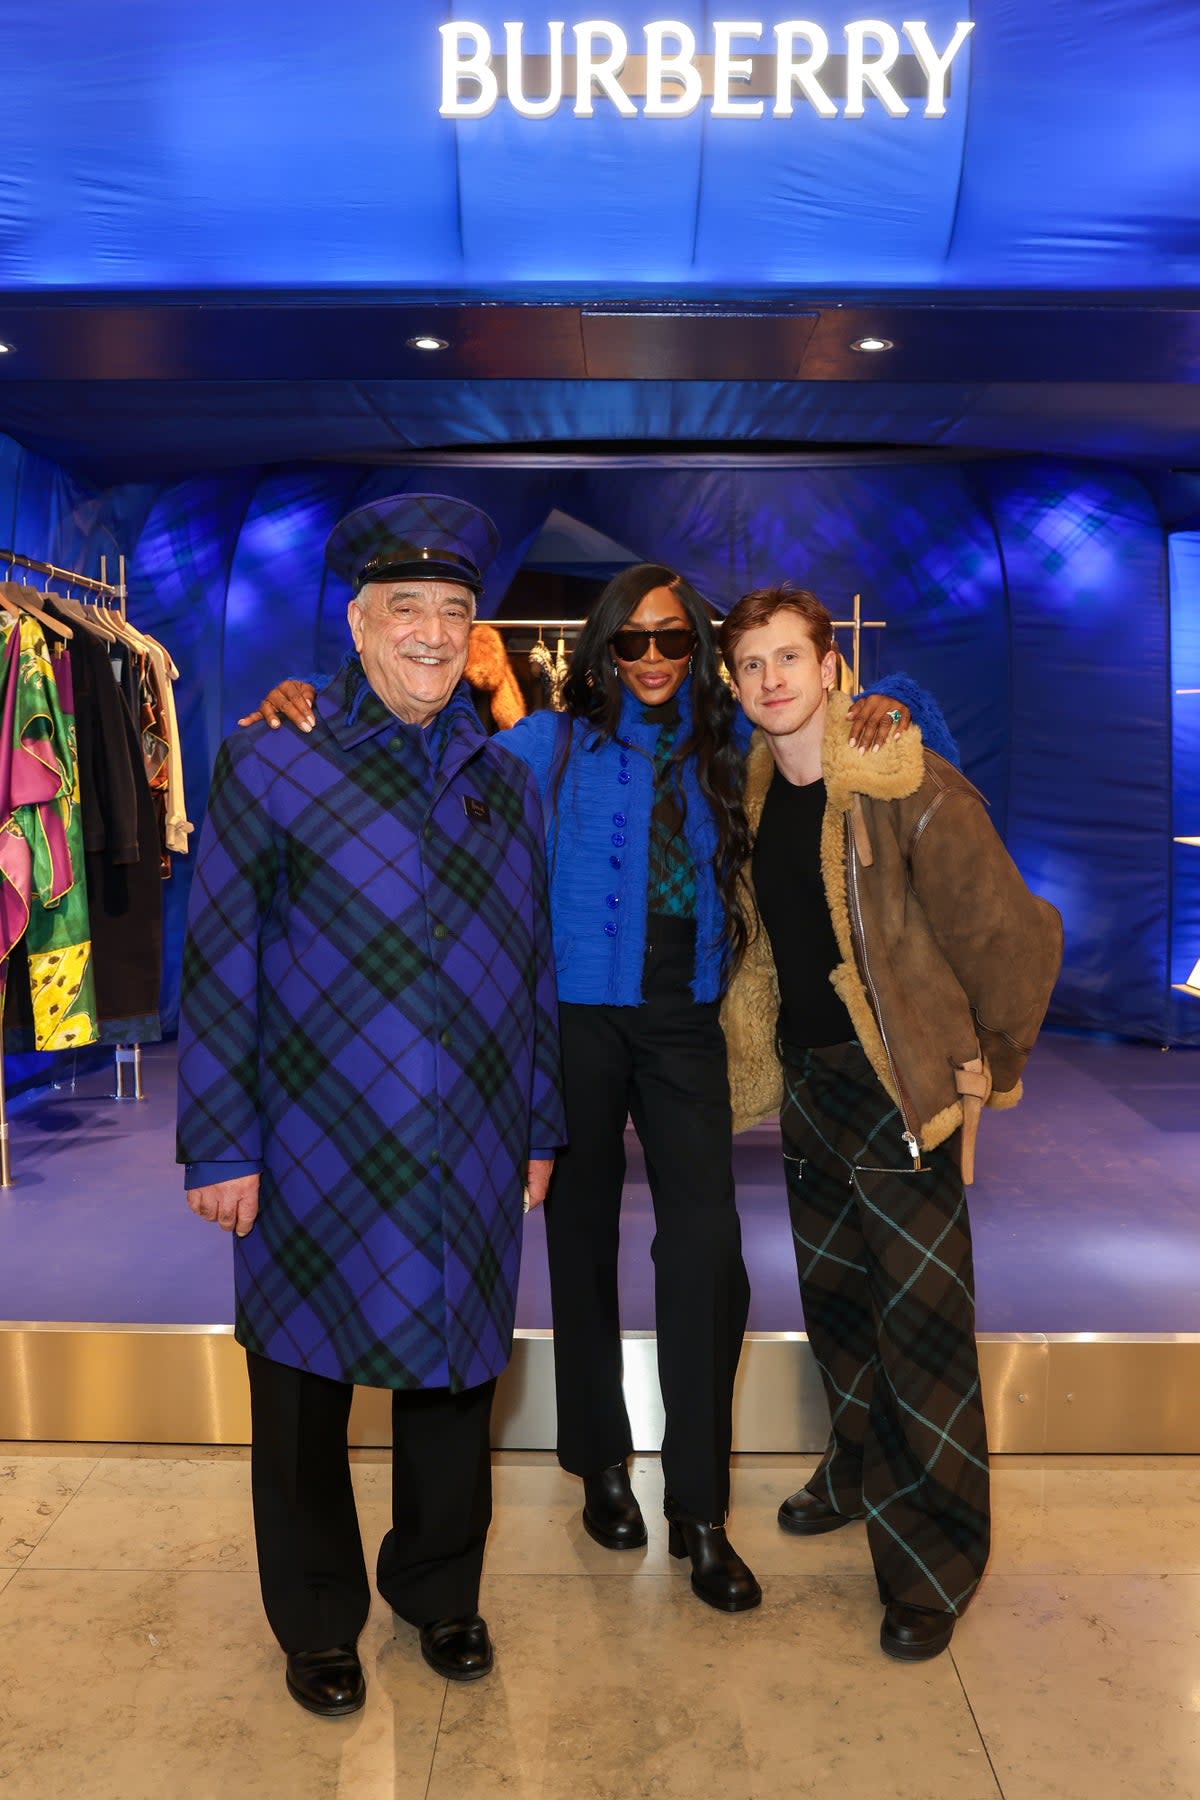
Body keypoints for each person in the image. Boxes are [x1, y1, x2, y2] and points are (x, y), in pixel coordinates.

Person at [245, 561, 923, 1616]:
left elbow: (851, 760)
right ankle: (599, 1461)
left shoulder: (726, 748)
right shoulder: (541, 748)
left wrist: (875, 703)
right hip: (570, 1026)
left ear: (695, 653)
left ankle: (700, 1507)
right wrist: (305, 701)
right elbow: (414, 741)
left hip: (681, 1023)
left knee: (706, 1252)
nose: (652, 658)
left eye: (671, 641)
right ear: (601, 649)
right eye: (631, 641)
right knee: (580, 1242)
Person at [177, 494, 564, 1718]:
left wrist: (539, 1123)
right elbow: (222, 957)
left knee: (455, 1377)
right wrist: (220, 1143)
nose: (434, 634)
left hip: (470, 1138)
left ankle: (440, 1589)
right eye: (408, 609)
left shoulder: (506, 781)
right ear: (356, 622)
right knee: (300, 1386)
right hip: (312, 1145)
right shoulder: (272, 757)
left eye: (456, 611)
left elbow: (534, 964)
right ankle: (315, 1619)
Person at [719, 584, 1062, 1662]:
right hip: (815, 1091)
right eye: (752, 665)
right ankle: (861, 1472)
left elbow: (1013, 936)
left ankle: (936, 1562)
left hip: (901, 1091)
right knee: (841, 1312)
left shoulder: (906, 781)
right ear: (735, 686)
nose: (773, 680)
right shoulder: (763, 784)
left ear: (832, 666)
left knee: (921, 1335)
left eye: (789, 658)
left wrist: (986, 1070)